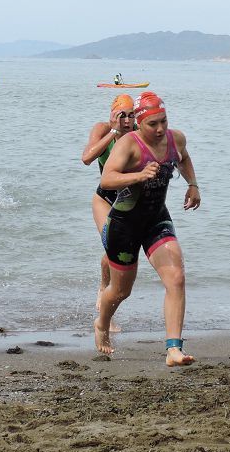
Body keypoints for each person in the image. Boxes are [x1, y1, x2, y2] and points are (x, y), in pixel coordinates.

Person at [94, 91, 201, 366]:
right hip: (124, 225)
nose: (160, 129)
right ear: (140, 123)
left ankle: (173, 349)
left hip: (156, 219)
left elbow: (184, 157)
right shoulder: (129, 144)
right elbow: (107, 179)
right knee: (120, 292)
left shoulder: (175, 138)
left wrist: (193, 184)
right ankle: (102, 323)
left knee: (176, 277)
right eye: (153, 124)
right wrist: (139, 175)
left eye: (163, 121)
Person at [81, 94, 137, 330]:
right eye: (121, 115)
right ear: (112, 115)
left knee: (118, 259)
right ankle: (107, 312)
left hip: (131, 203)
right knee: (112, 248)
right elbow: (87, 158)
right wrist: (113, 132)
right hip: (105, 199)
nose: (126, 120)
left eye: (131, 115)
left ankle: (104, 288)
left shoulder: (139, 133)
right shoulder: (102, 129)